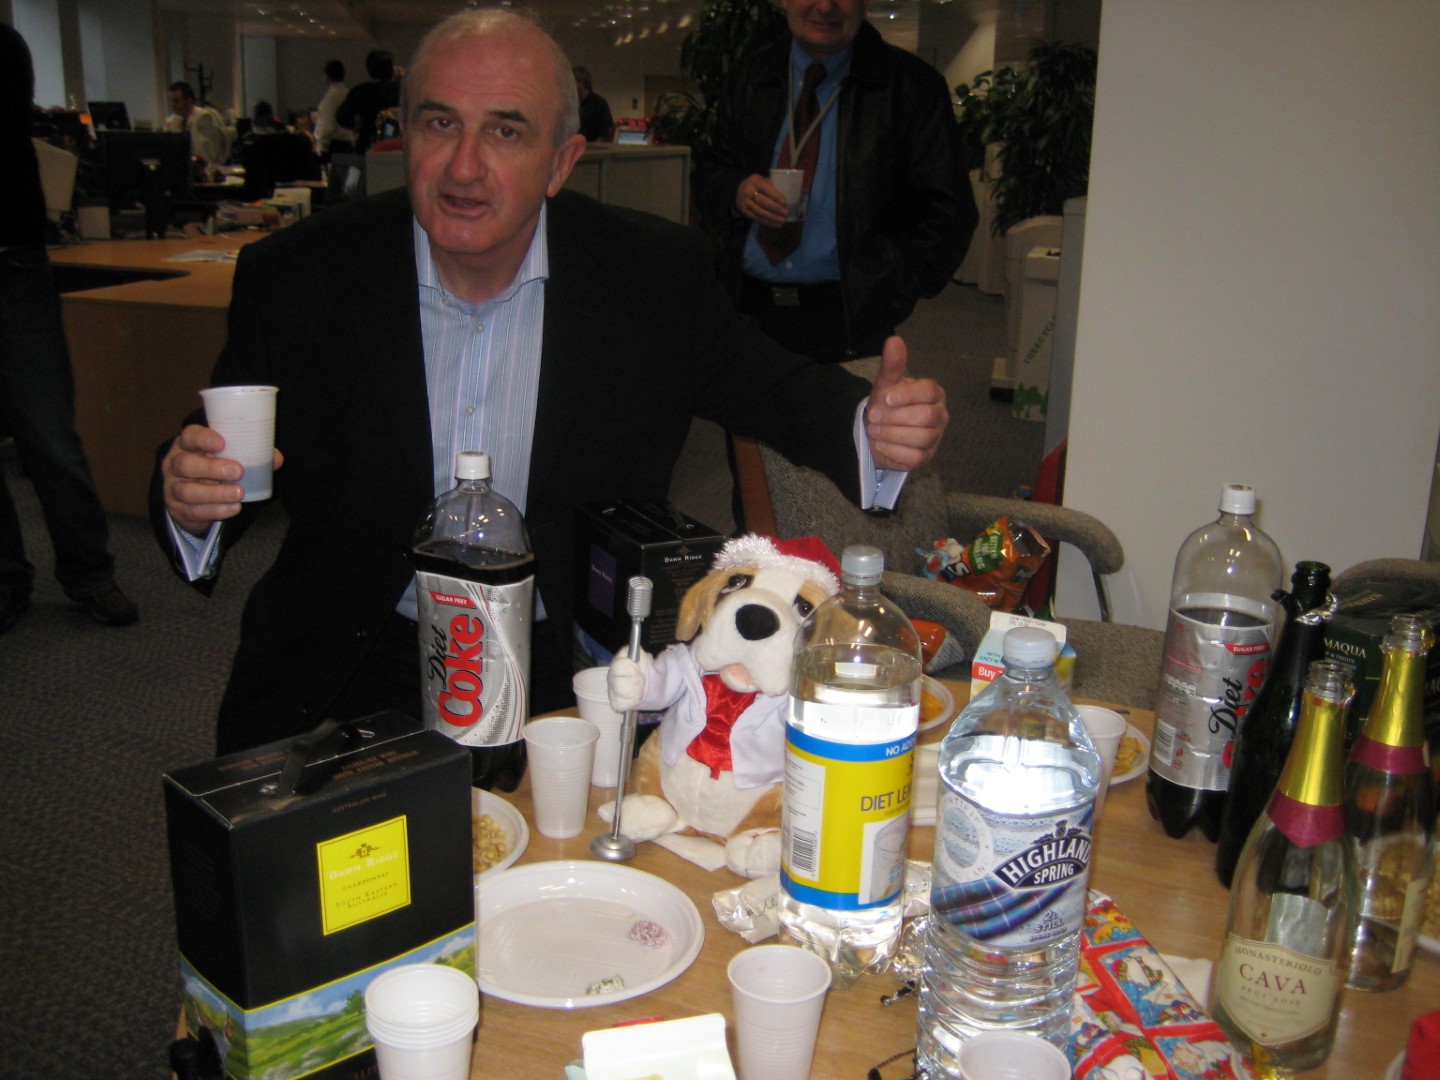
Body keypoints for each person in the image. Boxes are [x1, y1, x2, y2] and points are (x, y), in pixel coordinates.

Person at [151, 7, 946, 755]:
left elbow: (771, 387)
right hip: (358, 658)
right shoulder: (300, 276)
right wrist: (190, 496)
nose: (464, 165)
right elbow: (216, 451)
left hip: (564, 664)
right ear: (404, 136)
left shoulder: (649, 277)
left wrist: (871, 425)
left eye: (505, 130)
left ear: (562, 161)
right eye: (439, 123)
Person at [692, 0, 977, 364]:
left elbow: (949, 210)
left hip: (849, 322)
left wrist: (893, 292)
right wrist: (735, 189)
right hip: (749, 313)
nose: (826, 6)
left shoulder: (911, 87)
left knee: (847, 405)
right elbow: (708, 172)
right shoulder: (749, 77)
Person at [0, 24, 138, 632]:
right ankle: (7, 579)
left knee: (48, 433)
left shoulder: (5, 48)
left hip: (12, 263)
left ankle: (90, 573)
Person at [335, 50, 400, 154]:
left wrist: (357, 126)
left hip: (367, 144)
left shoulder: (360, 91)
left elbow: (342, 116)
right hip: (397, 147)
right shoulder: (401, 92)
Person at [165, 81, 230, 170]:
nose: (173, 105)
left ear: (189, 101)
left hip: (205, 169)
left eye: (177, 101)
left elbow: (211, 155)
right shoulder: (172, 122)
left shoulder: (205, 118)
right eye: (171, 101)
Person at [313, 58, 354, 157]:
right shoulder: (346, 92)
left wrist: (321, 148)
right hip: (347, 144)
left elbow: (327, 125)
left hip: (334, 146)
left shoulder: (332, 96)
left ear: (327, 76)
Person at [572, 65, 613, 143]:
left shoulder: (599, 103)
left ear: (583, 82)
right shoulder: (571, 104)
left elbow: (605, 133)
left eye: (574, 81)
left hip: (592, 148)